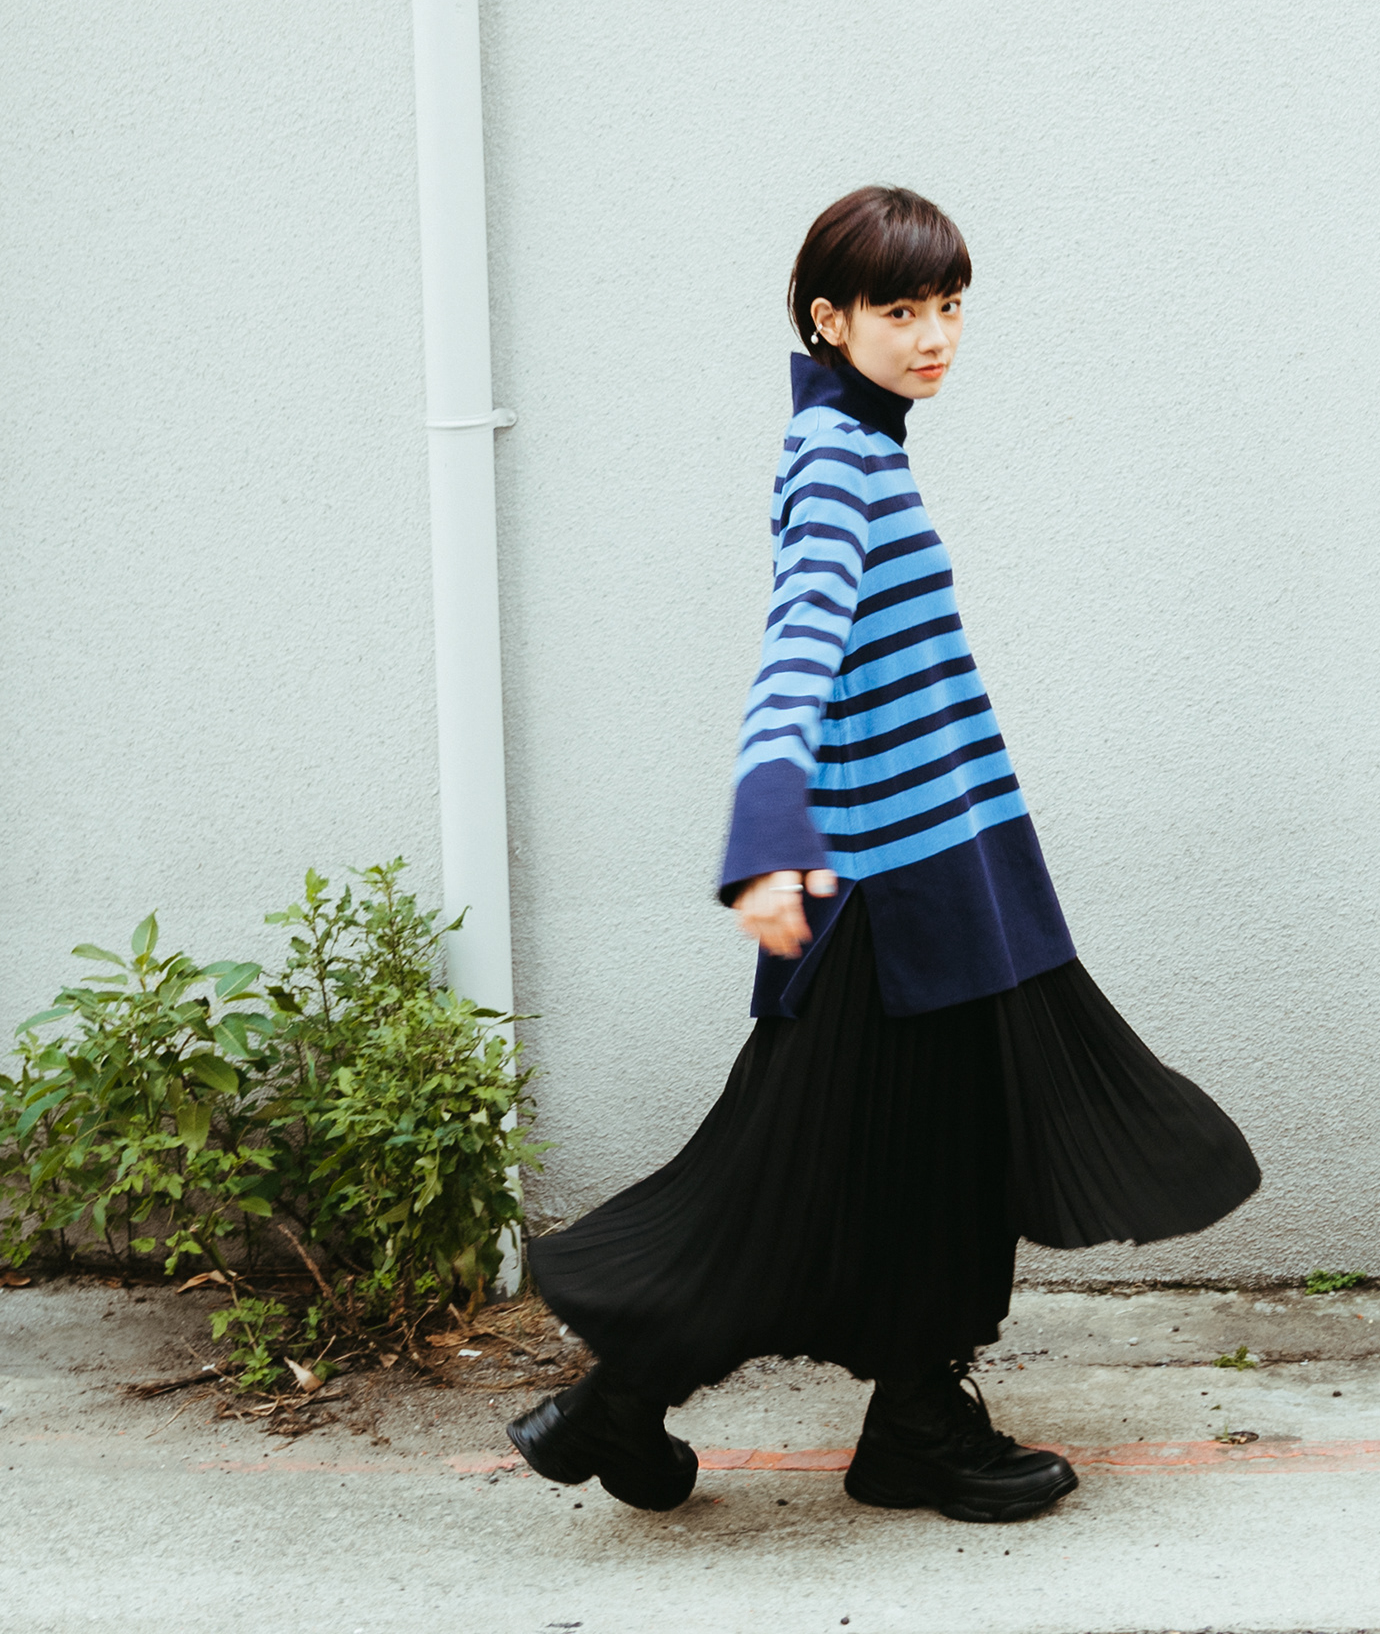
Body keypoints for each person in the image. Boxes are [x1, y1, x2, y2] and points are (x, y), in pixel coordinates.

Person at [511, 184, 1259, 1521]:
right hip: (891, 906)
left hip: (941, 879)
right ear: (829, 318)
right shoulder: (836, 462)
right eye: (901, 310)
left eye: (950, 306)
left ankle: (802, 1414)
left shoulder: (863, 444)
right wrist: (766, 829)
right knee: (805, 1178)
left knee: (892, 1166)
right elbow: (798, 644)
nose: (935, 336)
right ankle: (676, 1406)